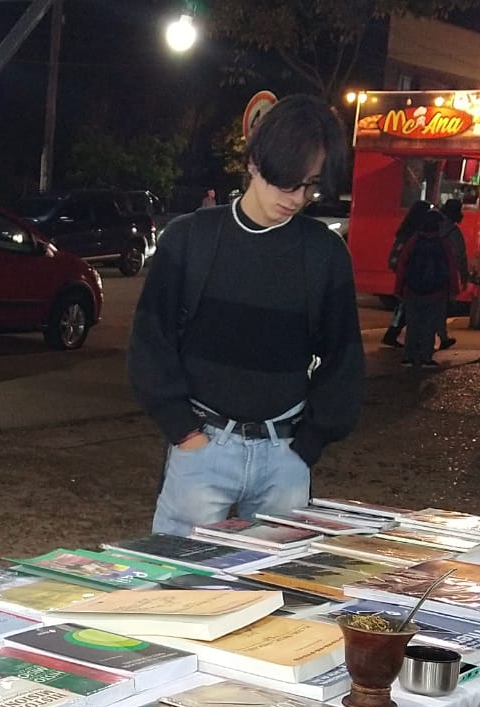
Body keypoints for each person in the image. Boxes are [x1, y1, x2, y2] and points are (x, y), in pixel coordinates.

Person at [129, 95, 363, 534]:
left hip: (285, 451)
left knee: (278, 593)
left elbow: (344, 360)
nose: (296, 199)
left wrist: (309, 443)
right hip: (202, 443)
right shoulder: (190, 239)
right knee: (181, 588)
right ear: (256, 163)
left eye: (309, 186)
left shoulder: (325, 254)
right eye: (287, 183)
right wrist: (183, 431)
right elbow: (149, 343)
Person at [393, 208, 460, 368]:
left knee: (413, 323)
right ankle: (425, 357)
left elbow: (402, 265)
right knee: (429, 325)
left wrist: (398, 289)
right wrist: (453, 290)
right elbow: (451, 267)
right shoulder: (443, 243)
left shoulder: (414, 241)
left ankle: (408, 357)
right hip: (436, 292)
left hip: (412, 290)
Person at [380, 200, 432, 348]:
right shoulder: (415, 233)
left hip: (405, 271)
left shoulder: (405, 230)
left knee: (405, 305)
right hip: (411, 272)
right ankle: (395, 334)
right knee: (408, 305)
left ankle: (394, 333)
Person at [436, 197, 466, 350]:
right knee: (441, 308)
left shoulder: (433, 225)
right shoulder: (454, 232)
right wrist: (464, 277)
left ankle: (417, 341)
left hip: (427, 273)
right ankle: (441, 336)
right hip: (444, 275)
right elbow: (460, 256)